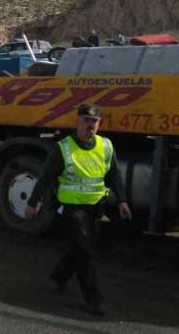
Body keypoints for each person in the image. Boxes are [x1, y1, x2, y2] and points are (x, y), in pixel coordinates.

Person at [25, 104, 132, 316]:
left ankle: (59, 276)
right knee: (85, 251)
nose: (90, 125)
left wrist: (122, 201)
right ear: (77, 122)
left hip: (95, 207)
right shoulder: (63, 148)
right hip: (72, 209)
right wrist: (32, 202)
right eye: (85, 120)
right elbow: (46, 177)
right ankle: (94, 299)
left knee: (82, 248)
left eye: (94, 121)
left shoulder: (106, 146)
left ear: (99, 124)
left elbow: (114, 176)